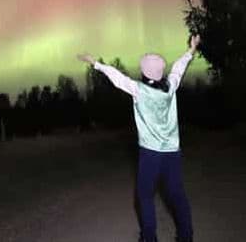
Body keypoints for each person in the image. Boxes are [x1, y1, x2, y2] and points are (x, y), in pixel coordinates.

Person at [77, 34, 201, 242]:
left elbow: (117, 78)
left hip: (150, 154)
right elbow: (179, 68)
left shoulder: (138, 90)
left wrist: (96, 64)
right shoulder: (170, 86)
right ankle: (186, 237)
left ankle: (149, 238)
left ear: (144, 72)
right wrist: (191, 50)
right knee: (177, 195)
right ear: (161, 73)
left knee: (145, 196)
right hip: (172, 153)